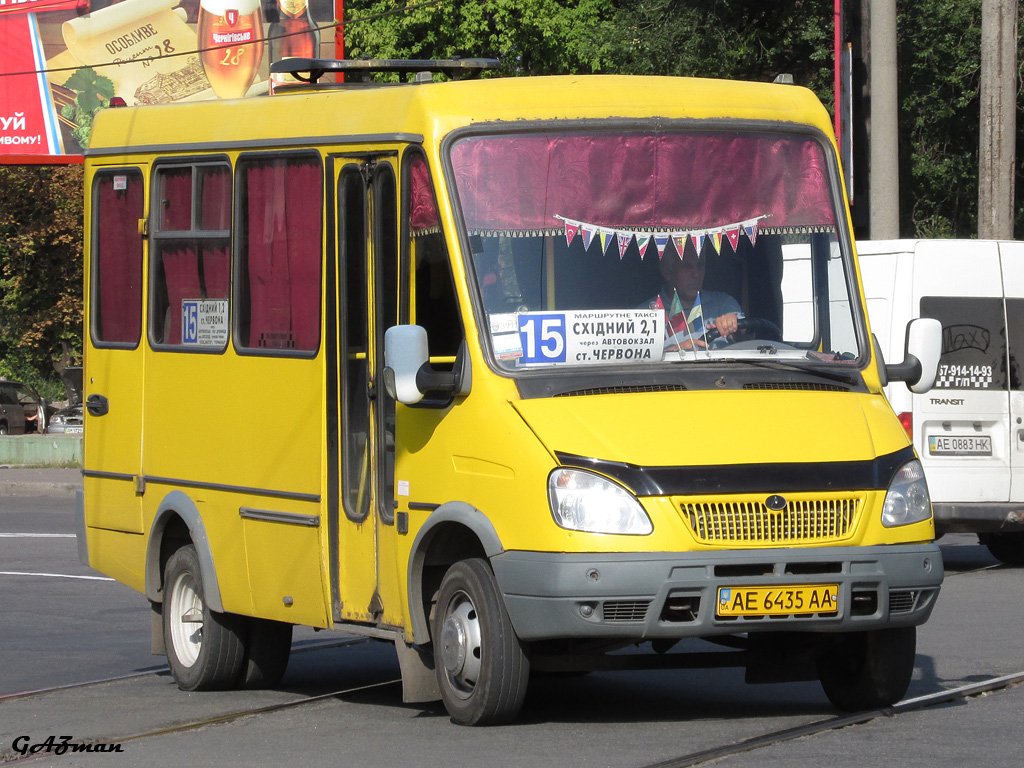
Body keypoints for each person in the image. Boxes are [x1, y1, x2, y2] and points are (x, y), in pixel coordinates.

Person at [647, 244, 742, 350]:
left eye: (700, 265)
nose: (696, 274)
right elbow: (636, 359)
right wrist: (674, 351)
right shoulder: (643, 314)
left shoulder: (724, 305)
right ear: (667, 272)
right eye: (687, 267)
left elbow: (747, 337)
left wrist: (733, 324)